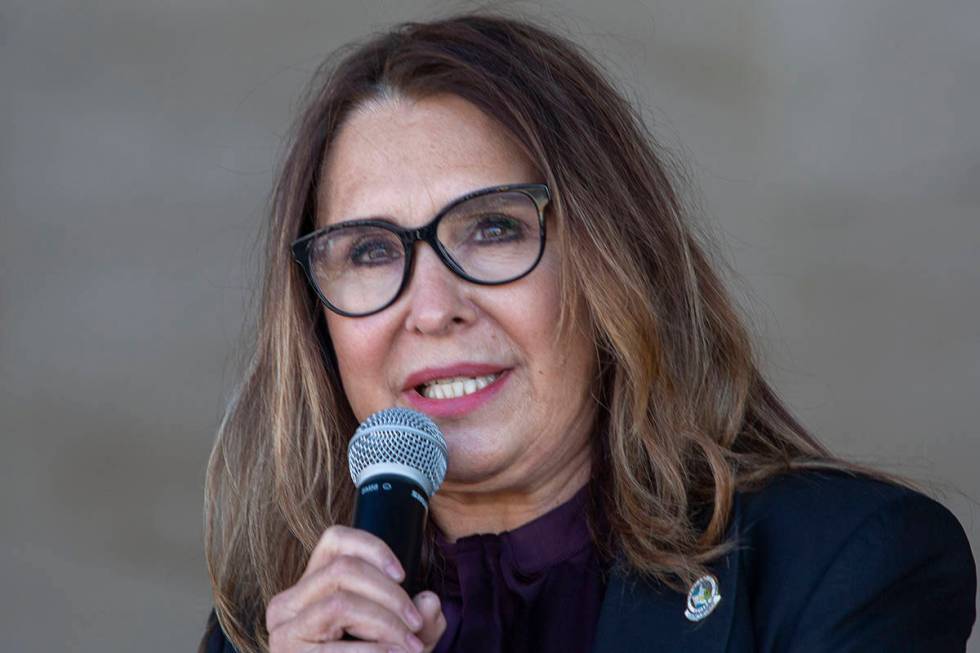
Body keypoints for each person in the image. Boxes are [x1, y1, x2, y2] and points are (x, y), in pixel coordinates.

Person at [199, 13, 976, 653]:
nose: (432, 308)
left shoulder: (848, 566)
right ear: (316, 319)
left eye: (494, 229)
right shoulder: (265, 631)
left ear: (611, 261)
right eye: (370, 251)